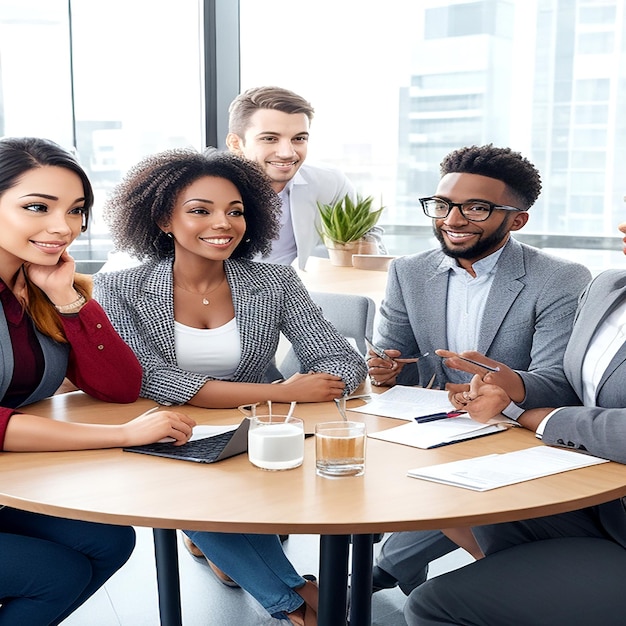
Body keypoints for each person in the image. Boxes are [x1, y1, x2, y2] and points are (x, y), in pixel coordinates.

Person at [92, 147, 368, 625]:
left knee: (216, 506)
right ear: (163, 220)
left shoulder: (275, 280)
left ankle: (228, 551)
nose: (224, 223)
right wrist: (283, 392)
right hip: (167, 434)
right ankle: (299, 601)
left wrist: (317, 384)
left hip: (263, 436)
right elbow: (152, 378)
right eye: (200, 210)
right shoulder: (119, 287)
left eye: (236, 211)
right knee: (189, 486)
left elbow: (341, 360)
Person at [366, 144, 592, 596]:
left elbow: (558, 380)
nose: (452, 219)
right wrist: (386, 372)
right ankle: (388, 572)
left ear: (517, 219)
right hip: (431, 429)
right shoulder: (408, 272)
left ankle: (381, 574)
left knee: (456, 493)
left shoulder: (560, 279)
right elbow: (401, 363)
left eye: (476, 207)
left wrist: (503, 384)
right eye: (443, 204)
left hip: (517, 435)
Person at [0, 136, 196, 625]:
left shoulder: (39, 284)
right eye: (37, 207)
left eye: (75, 210)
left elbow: (119, 386)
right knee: (54, 574)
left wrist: (67, 300)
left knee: (108, 541)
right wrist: (125, 435)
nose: (61, 227)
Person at [403, 219, 626, 626]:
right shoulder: (608, 287)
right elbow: (572, 384)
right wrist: (512, 386)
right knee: (455, 492)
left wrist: (538, 417)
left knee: (431, 604)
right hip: (593, 497)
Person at [226, 85, 384, 269]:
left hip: (299, 290)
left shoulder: (329, 182)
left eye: (299, 138)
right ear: (236, 143)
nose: (287, 153)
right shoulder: (206, 189)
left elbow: (369, 234)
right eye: (270, 139)